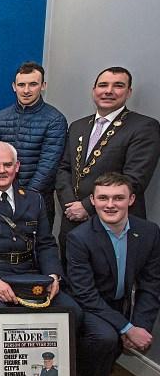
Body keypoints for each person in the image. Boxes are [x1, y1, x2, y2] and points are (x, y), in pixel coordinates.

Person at [0, 142, 81, 345]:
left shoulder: (34, 199)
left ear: (17, 166)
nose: (1, 170)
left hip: (29, 273)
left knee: (73, 312)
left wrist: (53, 276)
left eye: (7, 165)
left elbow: (45, 243)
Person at [66, 173, 160, 376]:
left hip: (121, 302)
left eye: (118, 198)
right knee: (106, 337)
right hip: (89, 303)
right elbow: (85, 294)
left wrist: (140, 325)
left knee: (112, 346)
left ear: (131, 199)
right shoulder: (79, 238)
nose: (110, 205)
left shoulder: (149, 232)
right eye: (103, 198)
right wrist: (126, 329)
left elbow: (151, 285)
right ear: (93, 201)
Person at [56, 66, 160, 251]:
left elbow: (134, 179)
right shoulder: (78, 126)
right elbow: (64, 168)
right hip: (73, 223)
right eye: (103, 85)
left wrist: (87, 206)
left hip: (114, 224)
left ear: (129, 92)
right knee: (71, 276)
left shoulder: (144, 127)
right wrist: (70, 205)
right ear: (94, 90)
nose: (108, 91)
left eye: (118, 86)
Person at [0, 62, 67, 228]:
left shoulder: (55, 120)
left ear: (43, 86)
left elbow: (49, 165)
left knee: (36, 250)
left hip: (37, 201)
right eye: (21, 84)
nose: (26, 90)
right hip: (1, 200)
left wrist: (25, 197)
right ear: (13, 86)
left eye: (33, 84)